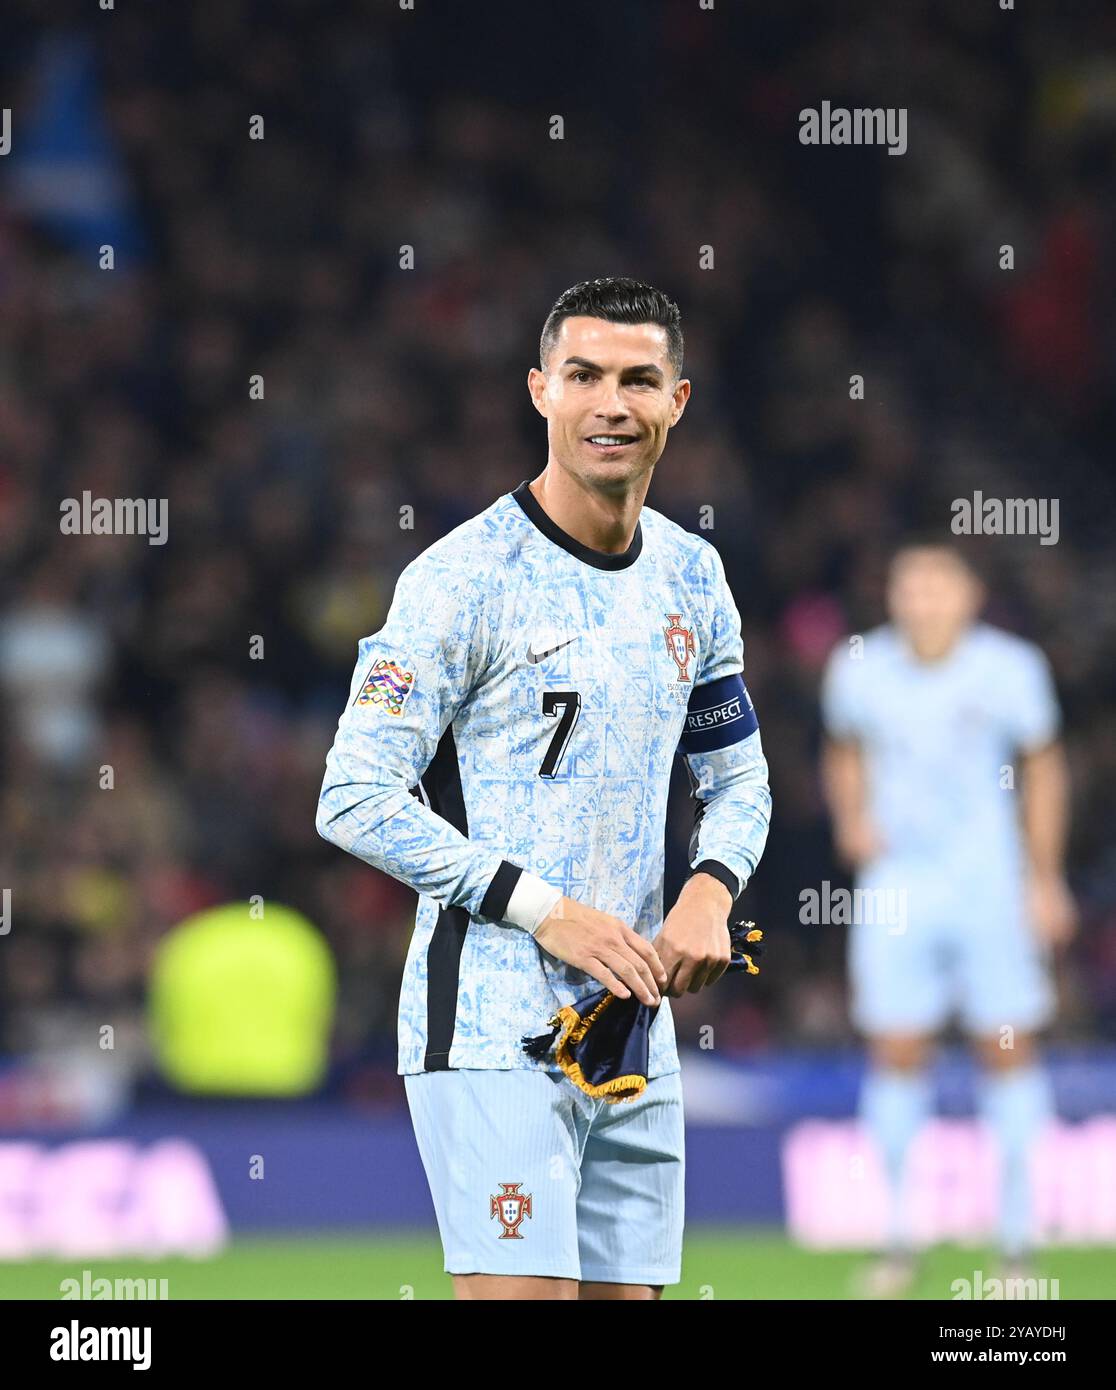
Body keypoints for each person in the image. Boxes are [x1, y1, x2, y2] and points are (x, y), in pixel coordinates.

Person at [316, 276, 771, 1300]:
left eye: (639, 379)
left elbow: (738, 778)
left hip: (632, 1028)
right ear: (541, 391)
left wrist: (713, 884)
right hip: (488, 1022)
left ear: (678, 401)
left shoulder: (694, 577)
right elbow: (352, 794)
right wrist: (547, 910)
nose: (612, 402)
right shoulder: (461, 579)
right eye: (585, 375)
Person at [820, 541, 1077, 1295]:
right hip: (899, 887)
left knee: (1009, 1049)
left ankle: (1019, 1247)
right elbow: (842, 749)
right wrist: (852, 817)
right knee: (897, 1049)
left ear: (970, 595)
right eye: (911, 586)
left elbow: (1043, 767)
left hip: (990, 884)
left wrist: (1045, 877)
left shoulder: (1011, 668)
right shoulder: (858, 667)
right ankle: (899, 1241)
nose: (924, 600)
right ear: (893, 595)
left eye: (939, 586)